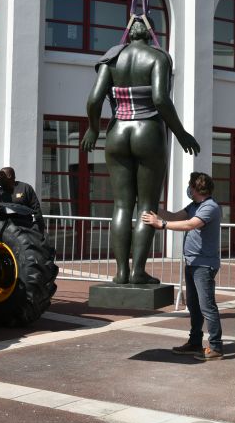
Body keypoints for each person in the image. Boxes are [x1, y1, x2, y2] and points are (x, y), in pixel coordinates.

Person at [81, 17, 200, 285]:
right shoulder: (157, 57)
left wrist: (93, 128)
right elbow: (160, 98)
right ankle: (138, 272)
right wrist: (180, 133)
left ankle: (121, 272)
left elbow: (94, 99)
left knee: (121, 205)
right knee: (146, 205)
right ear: (150, 34)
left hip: (118, 130)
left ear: (129, 34)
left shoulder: (112, 58)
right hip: (147, 130)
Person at [141, 172, 223, 361]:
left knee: (206, 306)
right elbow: (174, 216)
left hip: (204, 265)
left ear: (197, 188)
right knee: (193, 306)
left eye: (190, 186)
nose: (188, 189)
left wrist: (160, 224)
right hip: (192, 262)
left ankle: (216, 346)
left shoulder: (210, 207)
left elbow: (189, 224)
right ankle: (194, 342)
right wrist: (153, 206)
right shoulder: (193, 205)